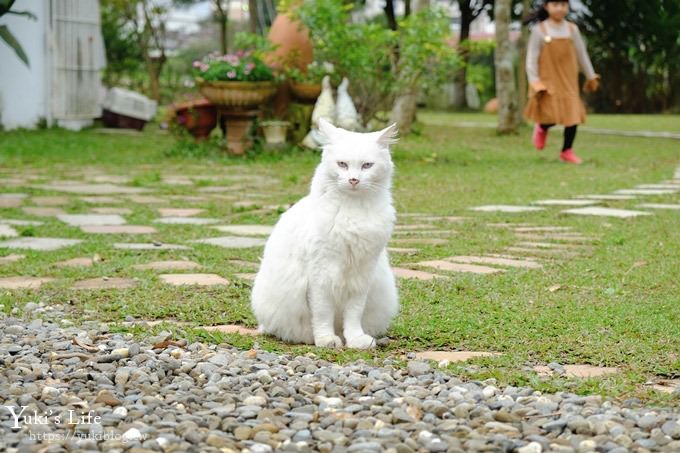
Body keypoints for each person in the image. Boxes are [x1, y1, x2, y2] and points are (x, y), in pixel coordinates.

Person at [523, 0, 600, 165]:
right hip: (547, 80)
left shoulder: (572, 30)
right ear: (547, 7)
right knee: (551, 114)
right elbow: (531, 59)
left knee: (572, 116)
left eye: (563, 5)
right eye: (555, 4)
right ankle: (542, 127)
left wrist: (590, 75)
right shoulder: (539, 30)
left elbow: (582, 55)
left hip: (569, 79)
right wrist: (534, 80)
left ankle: (567, 151)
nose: (559, 8)